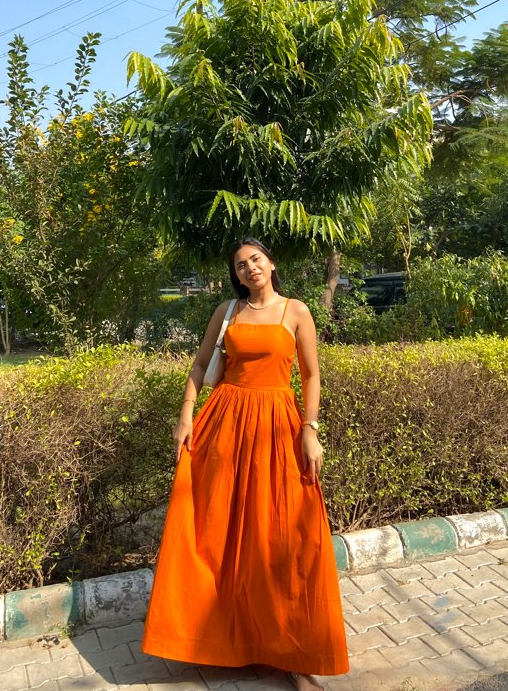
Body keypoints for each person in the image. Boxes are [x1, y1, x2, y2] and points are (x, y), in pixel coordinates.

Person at [141, 238, 349, 689]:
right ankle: (211, 638)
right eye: (240, 265)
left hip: (277, 427)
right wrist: (185, 416)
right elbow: (199, 367)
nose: (250, 268)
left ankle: (294, 652)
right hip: (226, 425)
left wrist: (310, 431)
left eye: (256, 259)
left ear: (271, 264)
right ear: (235, 275)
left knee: (286, 536)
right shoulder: (227, 312)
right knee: (219, 531)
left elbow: (311, 375)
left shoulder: (296, 311)